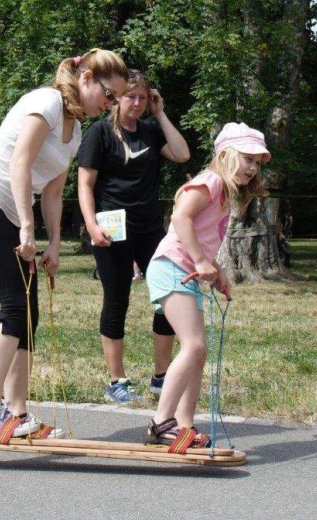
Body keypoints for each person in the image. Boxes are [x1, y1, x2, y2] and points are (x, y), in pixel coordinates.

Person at [0, 49, 128, 438]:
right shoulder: (45, 101)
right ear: (86, 78)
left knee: (27, 313)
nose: (110, 104)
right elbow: (20, 162)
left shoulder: (75, 129)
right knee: (14, 304)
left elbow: (53, 193)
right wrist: (27, 229)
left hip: (10, 217)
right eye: (109, 94)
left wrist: (53, 244)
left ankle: (17, 414)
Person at [143, 122, 269, 447]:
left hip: (185, 271)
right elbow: (180, 218)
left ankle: (183, 425)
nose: (253, 168)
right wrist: (201, 262)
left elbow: (203, 236)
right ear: (226, 154)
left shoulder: (225, 193)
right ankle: (161, 423)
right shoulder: (210, 181)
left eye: (258, 163)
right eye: (247, 158)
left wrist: (216, 270)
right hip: (172, 266)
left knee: (198, 353)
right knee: (194, 346)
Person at [78, 69, 190, 404]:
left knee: (166, 298)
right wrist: (92, 226)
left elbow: (182, 154)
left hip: (150, 227)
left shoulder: (152, 131)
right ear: (116, 98)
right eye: (131, 97)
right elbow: (84, 184)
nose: (137, 103)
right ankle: (116, 380)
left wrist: (160, 112)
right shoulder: (99, 132)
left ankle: (161, 375)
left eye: (143, 97)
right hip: (111, 227)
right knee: (117, 300)